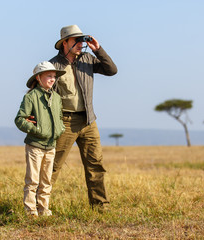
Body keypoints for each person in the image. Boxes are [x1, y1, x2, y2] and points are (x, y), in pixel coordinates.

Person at [49, 24, 118, 210]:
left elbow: (112, 70)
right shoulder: (53, 65)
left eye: (82, 40)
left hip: (89, 120)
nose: (81, 44)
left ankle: (101, 207)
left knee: (95, 165)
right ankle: (39, 206)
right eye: (76, 40)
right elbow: (44, 96)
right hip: (65, 121)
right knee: (53, 166)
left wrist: (98, 49)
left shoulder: (88, 58)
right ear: (65, 43)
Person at [14, 61, 66, 217]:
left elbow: (59, 117)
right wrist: (36, 130)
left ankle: (44, 210)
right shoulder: (31, 97)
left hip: (51, 146)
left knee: (46, 181)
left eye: (54, 77)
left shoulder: (56, 97)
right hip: (35, 145)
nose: (52, 79)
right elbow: (19, 119)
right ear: (38, 77)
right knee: (32, 180)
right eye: (49, 76)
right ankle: (31, 212)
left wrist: (60, 129)